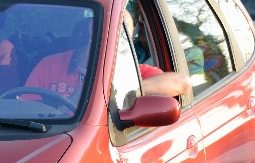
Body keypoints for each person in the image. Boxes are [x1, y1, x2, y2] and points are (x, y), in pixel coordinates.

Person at [24, 16, 190, 102]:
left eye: (124, 37)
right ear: (89, 33)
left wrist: (128, 90)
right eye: (106, 32)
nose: (117, 41)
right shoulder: (50, 65)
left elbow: (182, 83)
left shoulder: (131, 72)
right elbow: (26, 109)